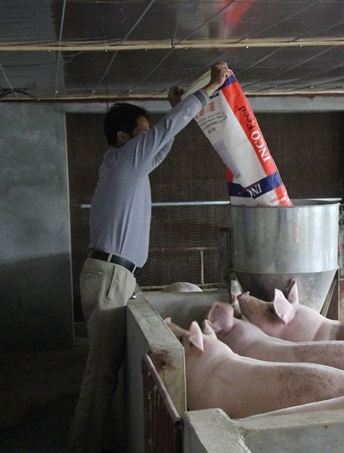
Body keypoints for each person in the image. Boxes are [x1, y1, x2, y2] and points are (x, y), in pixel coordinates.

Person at [68, 61, 230, 453]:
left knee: (105, 370)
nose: (149, 141)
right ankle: (81, 446)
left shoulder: (128, 167)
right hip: (111, 275)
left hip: (113, 274)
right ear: (123, 138)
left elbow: (160, 146)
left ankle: (90, 440)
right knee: (101, 373)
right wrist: (209, 88)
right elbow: (166, 130)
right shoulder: (124, 161)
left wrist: (177, 110)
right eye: (143, 135)